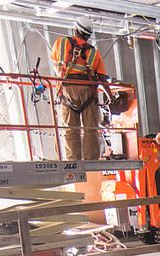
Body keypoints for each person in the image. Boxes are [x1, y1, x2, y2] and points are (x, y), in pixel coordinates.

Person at [50, 19, 108, 160]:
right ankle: (91, 162)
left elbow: (55, 64)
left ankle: (73, 161)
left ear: (75, 30)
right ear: (88, 35)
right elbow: (102, 78)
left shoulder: (60, 43)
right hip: (87, 92)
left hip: (67, 91)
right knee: (91, 129)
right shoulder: (94, 53)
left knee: (70, 129)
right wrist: (110, 96)